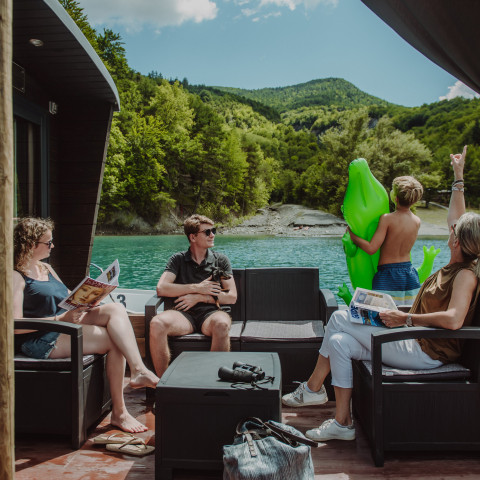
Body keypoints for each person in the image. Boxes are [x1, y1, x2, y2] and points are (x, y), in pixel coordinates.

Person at [282, 146, 480, 442]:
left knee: (339, 318)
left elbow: (454, 320)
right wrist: (458, 176)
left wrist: (405, 319)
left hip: (425, 351)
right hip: (414, 339)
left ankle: (312, 389)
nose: (449, 230)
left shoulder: (465, 274)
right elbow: (458, 215)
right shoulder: (453, 263)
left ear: (458, 240)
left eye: (454, 230)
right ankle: (342, 423)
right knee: (338, 342)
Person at [13, 217, 160, 433]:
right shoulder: (15, 276)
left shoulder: (46, 268)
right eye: (48, 242)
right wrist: (60, 320)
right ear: (30, 244)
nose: (52, 246)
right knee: (113, 339)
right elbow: (14, 325)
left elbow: (67, 297)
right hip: (41, 338)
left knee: (115, 309)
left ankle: (138, 369)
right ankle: (119, 412)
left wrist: (91, 299)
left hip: (66, 322)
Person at [149, 214, 237, 377]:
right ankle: (163, 384)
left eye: (213, 231)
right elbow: (162, 288)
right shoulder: (178, 259)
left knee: (222, 324)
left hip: (211, 313)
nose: (212, 235)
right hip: (183, 315)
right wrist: (197, 287)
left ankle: (212, 383)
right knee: (157, 323)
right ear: (193, 237)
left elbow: (232, 296)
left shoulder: (221, 260)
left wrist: (201, 297)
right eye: (207, 232)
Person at [347, 175, 424, 305]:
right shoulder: (417, 221)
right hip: (410, 275)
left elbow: (371, 248)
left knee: (382, 313)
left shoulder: (387, 219)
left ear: (395, 198)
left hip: (388, 275)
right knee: (405, 313)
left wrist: (352, 235)